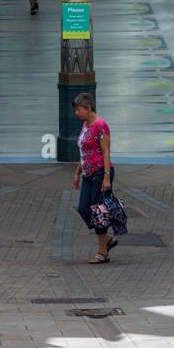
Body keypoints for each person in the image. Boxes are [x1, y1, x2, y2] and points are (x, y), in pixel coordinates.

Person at [72, 94, 116, 264]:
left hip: (100, 173)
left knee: (98, 211)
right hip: (88, 174)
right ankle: (106, 239)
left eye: (79, 109)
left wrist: (106, 177)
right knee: (84, 209)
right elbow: (84, 152)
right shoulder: (85, 125)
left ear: (88, 107)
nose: (76, 113)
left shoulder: (100, 126)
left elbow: (106, 152)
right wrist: (77, 172)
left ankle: (102, 252)